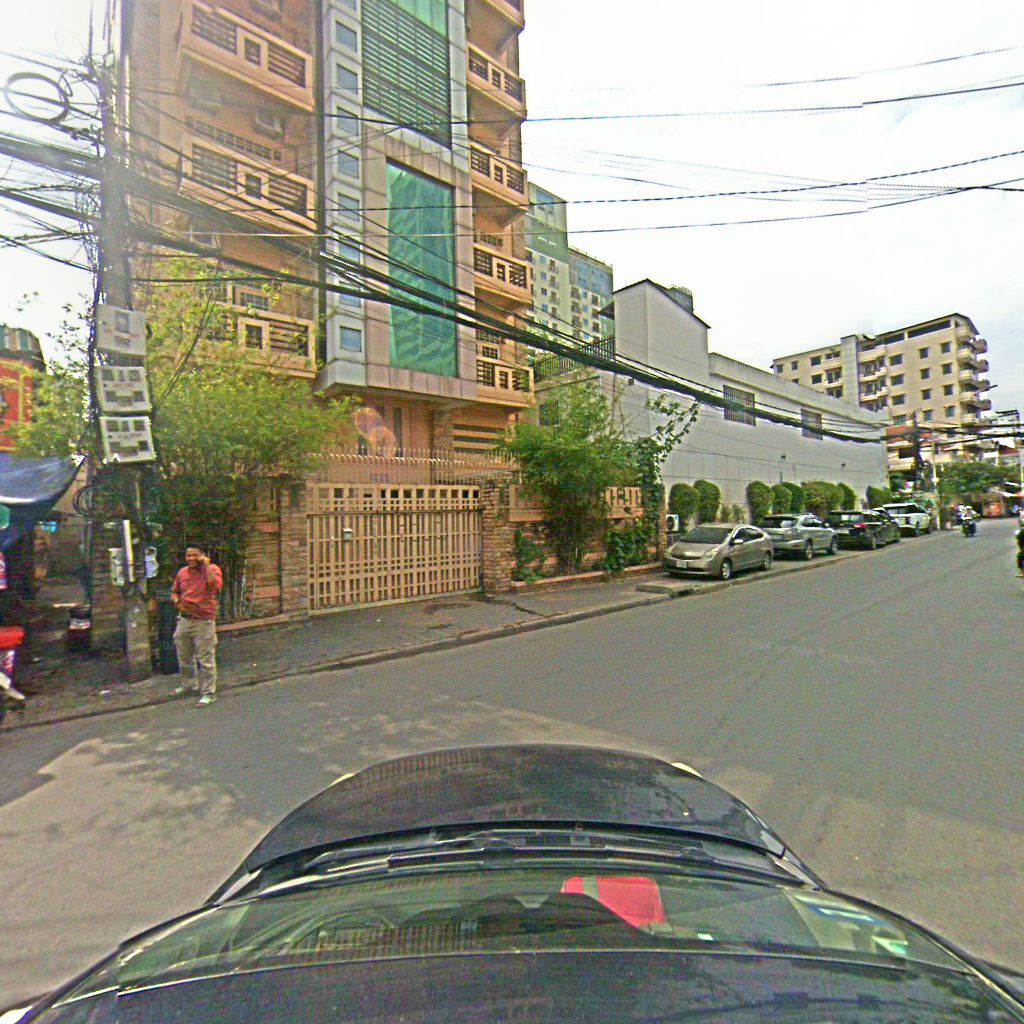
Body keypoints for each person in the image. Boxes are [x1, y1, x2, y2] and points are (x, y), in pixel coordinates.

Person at [171, 544, 223, 707]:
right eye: (189, 555)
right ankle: (189, 685)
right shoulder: (182, 572)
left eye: (195, 555)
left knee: (206, 658)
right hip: (185, 619)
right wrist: (176, 601)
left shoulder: (212, 570)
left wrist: (206, 565)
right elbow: (175, 591)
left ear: (202, 556)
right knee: (184, 655)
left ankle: (209, 692)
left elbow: (215, 586)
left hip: (203, 621)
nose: (191, 558)